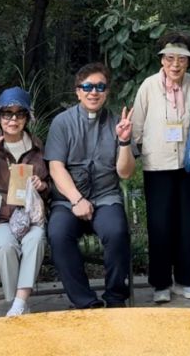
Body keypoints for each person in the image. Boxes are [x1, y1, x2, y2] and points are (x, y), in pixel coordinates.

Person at [45, 63, 135, 308]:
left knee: (117, 232)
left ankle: (115, 298)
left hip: (106, 197)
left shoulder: (117, 122)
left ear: (107, 92)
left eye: (100, 87)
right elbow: (55, 168)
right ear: (78, 91)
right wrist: (76, 199)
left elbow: (125, 173)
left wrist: (124, 141)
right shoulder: (62, 123)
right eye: (87, 87)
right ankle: (85, 302)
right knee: (58, 235)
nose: (93, 92)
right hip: (68, 200)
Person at [132, 32, 190, 303]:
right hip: (157, 164)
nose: (175, 64)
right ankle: (160, 283)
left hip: (189, 164)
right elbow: (137, 127)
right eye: (170, 58)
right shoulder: (148, 86)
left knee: (187, 223)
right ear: (162, 60)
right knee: (159, 225)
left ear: (188, 62)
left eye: (181, 59)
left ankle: (186, 280)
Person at [0, 87, 49, 316]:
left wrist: (42, 185)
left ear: (27, 117)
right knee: (5, 246)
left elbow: (50, 186)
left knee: (36, 240)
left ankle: (19, 303)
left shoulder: (37, 146)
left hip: (30, 216)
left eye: (19, 113)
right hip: (1, 217)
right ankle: (18, 304)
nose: (13, 120)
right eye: (7, 113)